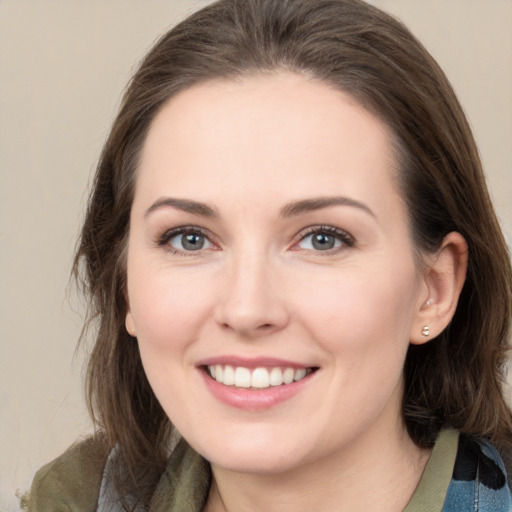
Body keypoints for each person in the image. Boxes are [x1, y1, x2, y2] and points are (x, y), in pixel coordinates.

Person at [28, 0, 512, 510]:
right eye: (189, 238)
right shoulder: (76, 498)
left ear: (433, 290)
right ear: (125, 280)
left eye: (322, 238)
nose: (247, 309)